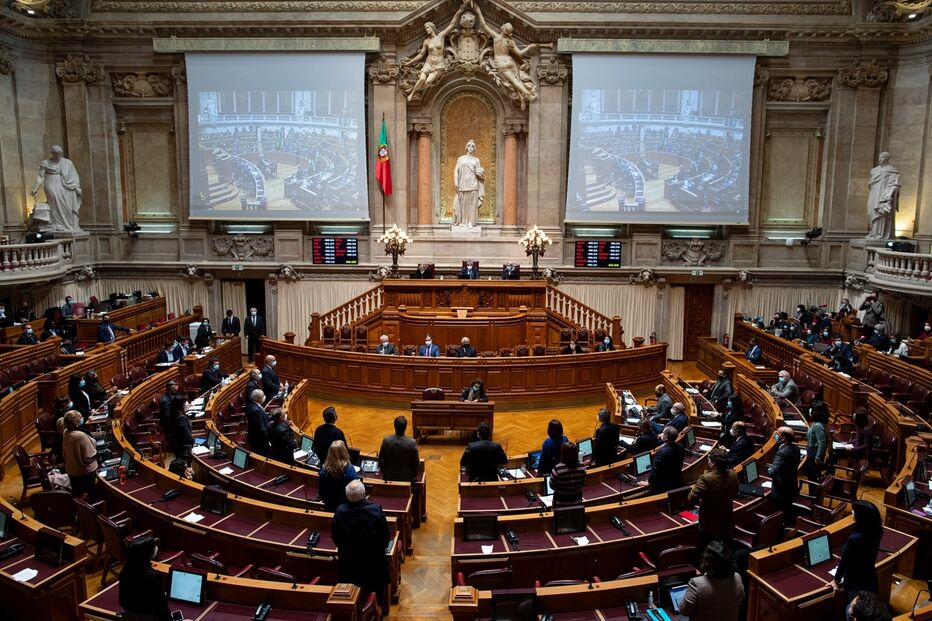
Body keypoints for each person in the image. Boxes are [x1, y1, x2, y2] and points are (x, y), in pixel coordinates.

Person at [331, 479, 391, 610]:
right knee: (378, 586)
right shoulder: (375, 510)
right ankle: (380, 609)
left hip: (349, 564)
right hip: (374, 564)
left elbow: (335, 538)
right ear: (364, 494)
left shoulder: (340, 512)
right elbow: (385, 537)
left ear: (347, 496)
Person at [832, 501, 883, 612]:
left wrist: (836, 580)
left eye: (855, 510)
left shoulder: (855, 539)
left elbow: (844, 562)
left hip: (855, 582)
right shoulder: (876, 532)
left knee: (854, 612)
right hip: (870, 578)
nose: (852, 512)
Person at [679, 541, 744, 621]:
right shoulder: (737, 578)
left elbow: (684, 611)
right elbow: (740, 600)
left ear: (706, 562)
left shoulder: (697, 584)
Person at [688, 447, 739, 548]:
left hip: (709, 522)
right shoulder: (733, 475)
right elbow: (735, 492)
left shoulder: (706, 478)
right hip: (727, 519)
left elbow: (691, 498)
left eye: (709, 460)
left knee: (707, 548)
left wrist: (701, 501)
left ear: (713, 463)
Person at [118, 536, 174, 621]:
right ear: (148, 554)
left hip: (129, 616)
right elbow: (160, 606)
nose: (156, 548)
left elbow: (122, 602)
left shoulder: (124, 572)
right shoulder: (154, 576)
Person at [30, 145, 83, 232]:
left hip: (66, 185)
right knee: (55, 204)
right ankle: (58, 224)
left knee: (67, 205)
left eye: (60, 153)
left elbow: (74, 176)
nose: (58, 155)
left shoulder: (67, 162)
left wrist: (74, 186)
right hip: (51, 184)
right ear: (52, 153)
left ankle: (69, 225)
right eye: (56, 154)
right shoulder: (46, 163)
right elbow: (41, 177)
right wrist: (35, 189)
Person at [865, 152, 900, 240]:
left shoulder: (892, 171)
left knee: (881, 213)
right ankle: (873, 232)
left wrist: (889, 193)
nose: (880, 159)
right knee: (871, 212)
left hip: (884, 195)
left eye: (882, 157)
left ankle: (880, 234)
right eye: (879, 157)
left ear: (887, 159)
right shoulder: (874, 170)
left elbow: (896, 184)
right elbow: (870, 183)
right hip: (874, 193)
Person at [768, 426, 800, 520]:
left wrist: (769, 470)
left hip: (781, 490)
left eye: (777, 434)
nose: (775, 435)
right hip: (791, 486)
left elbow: (772, 472)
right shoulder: (796, 448)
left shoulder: (782, 453)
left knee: (779, 514)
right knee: (786, 510)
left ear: (783, 438)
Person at [63, 410, 97, 497]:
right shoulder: (80, 436)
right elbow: (89, 456)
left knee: (77, 492)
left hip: (72, 470)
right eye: (81, 417)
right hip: (84, 472)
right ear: (76, 421)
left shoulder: (66, 432)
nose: (82, 418)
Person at [318, 440, 359, 512]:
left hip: (329, 506)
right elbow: (356, 493)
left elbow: (321, 493)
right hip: (346, 509)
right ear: (344, 452)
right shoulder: (349, 470)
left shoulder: (323, 470)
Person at [452, 140, 485, 227]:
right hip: (462, 184)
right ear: (466, 147)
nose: (471, 148)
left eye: (473, 146)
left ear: (474, 149)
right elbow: (456, 170)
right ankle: (463, 221)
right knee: (463, 204)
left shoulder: (476, 160)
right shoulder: (461, 159)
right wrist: (456, 182)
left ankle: (471, 221)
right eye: (469, 146)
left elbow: (479, 172)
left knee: (472, 204)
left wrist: (480, 173)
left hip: (473, 184)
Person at [378, 416, 419, 483]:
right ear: (405, 427)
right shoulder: (412, 442)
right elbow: (416, 463)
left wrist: (384, 472)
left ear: (394, 426)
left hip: (388, 477)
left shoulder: (386, 440)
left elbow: (380, 460)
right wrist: (415, 476)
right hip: (406, 479)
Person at [649, 426, 687, 493]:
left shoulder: (662, 452)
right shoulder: (681, 447)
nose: (661, 434)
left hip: (664, 485)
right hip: (677, 480)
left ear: (666, 438)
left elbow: (655, 469)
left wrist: (649, 482)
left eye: (663, 433)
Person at [550, 442, 587, 506]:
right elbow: (582, 483)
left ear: (563, 454)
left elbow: (552, 486)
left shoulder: (557, 469)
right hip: (577, 502)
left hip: (560, 503)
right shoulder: (582, 467)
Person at [806, 403, 830, 481]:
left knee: (813, 477)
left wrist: (818, 457)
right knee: (813, 475)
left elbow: (822, 443)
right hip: (813, 451)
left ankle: (813, 492)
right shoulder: (819, 424)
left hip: (814, 453)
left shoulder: (818, 426)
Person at [246, 388, 270, 456]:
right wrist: (268, 439)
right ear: (258, 398)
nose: (264, 398)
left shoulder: (251, 404)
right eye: (262, 397)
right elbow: (261, 428)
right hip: (259, 440)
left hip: (254, 436)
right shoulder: (256, 411)